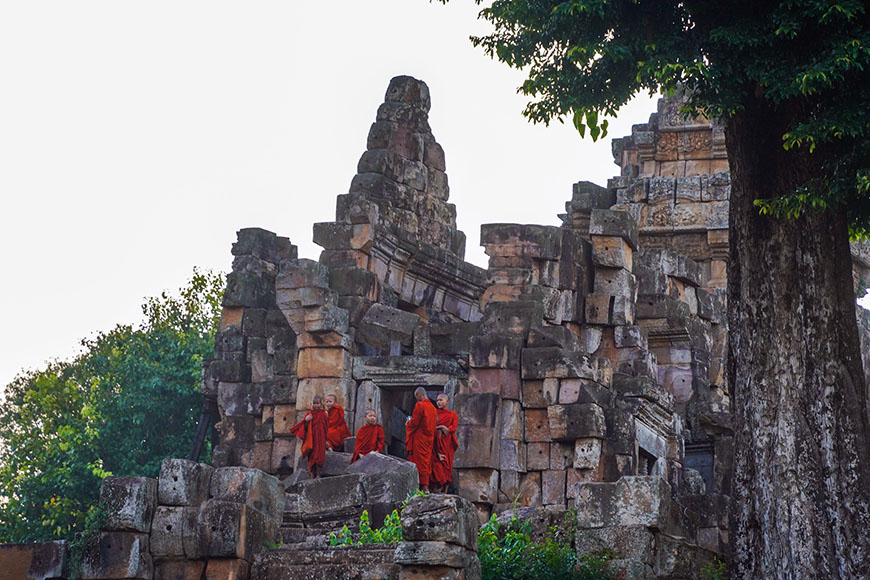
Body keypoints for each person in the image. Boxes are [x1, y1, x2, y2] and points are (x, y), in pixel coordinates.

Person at [405, 386, 437, 491]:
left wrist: (408, 423)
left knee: (417, 462)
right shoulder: (433, 408)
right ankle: (425, 486)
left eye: (416, 397)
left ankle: (419, 486)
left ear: (419, 395)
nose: (416, 399)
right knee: (425, 462)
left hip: (419, 439)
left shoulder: (420, 405)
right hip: (429, 440)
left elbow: (414, 422)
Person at [289, 395, 328, 478]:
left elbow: (326, 427)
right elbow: (305, 428)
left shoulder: (323, 414)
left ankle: (318, 473)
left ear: (321, 404)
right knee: (311, 456)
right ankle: (311, 473)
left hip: (320, 438)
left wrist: (326, 440)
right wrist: (306, 421)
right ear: (312, 404)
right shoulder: (309, 414)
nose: (316, 405)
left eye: (317, 403)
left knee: (319, 456)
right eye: (314, 403)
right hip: (311, 439)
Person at [430, 393, 458, 493]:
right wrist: (441, 427)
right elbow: (431, 426)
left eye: (441, 400)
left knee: (447, 465)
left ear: (447, 402)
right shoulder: (434, 413)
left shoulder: (452, 414)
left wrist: (445, 429)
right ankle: (435, 487)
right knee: (437, 464)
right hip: (436, 441)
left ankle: (445, 490)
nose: (438, 402)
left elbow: (452, 428)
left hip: (448, 443)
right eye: (437, 400)